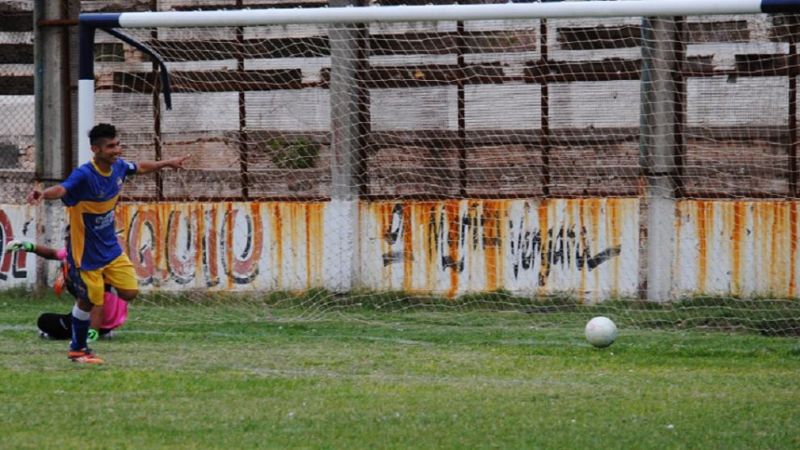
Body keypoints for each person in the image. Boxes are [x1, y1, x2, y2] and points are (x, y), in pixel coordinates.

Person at [27, 123, 190, 364]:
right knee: (89, 301)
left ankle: (98, 294)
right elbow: (63, 188)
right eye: (111, 146)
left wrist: (166, 163)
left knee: (130, 291)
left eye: (118, 144)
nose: (117, 150)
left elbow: (140, 167)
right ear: (96, 149)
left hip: (110, 249)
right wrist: (43, 194)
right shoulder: (84, 175)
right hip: (86, 253)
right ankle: (78, 349)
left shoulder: (119, 168)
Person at [7, 240, 128, 340]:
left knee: (45, 321)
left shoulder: (90, 261)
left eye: (69, 236)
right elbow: (54, 254)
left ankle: (94, 331)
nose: (66, 239)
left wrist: (92, 334)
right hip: (111, 318)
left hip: (100, 317)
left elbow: (98, 301)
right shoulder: (84, 250)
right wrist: (30, 247)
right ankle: (100, 331)